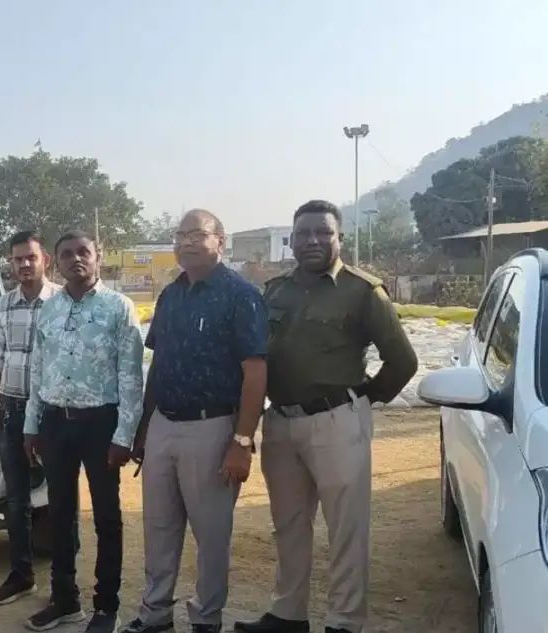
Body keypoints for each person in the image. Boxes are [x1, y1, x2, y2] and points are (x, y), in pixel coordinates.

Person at [235, 200, 418, 633]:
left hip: (337, 421)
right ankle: (288, 614)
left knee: (345, 527)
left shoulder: (362, 291)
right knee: (288, 524)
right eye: (303, 234)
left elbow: (403, 361)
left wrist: (365, 398)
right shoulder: (275, 291)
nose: (313, 241)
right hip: (281, 423)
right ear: (292, 241)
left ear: (340, 238)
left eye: (323, 233)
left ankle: (344, 621)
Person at [121, 210, 268, 633]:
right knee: (159, 528)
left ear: (220, 241)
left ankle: (206, 619)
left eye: (197, 234)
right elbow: (159, 364)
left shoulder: (241, 296)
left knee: (211, 533)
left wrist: (242, 441)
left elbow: (255, 372)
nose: (187, 242)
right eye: (181, 235)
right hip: (164, 425)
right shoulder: (171, 296)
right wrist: (144, 429)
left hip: (212, 428)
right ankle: (155, 615)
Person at [22, 230, 144, 633]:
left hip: (100, 424)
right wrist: (32, 426)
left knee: (106, 516)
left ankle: (106, 606)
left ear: (98, 256)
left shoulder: (119, 307)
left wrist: (124, 435)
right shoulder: (49, 310)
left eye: (83, 252)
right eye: (67, 254)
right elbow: (38, 370)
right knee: (59, 513)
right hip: (56, 423)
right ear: (56, 262)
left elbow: (131, 376)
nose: (76, 259)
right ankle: (64, 600)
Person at [0, 230, 61, 605]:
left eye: (31, 257)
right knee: (15, 500)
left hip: (53, 411)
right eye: (18, 259)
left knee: (60, 497)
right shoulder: (2, 306)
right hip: (11, 409)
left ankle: (64, 584)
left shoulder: (63, 303)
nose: (24, 264)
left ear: (45, 260)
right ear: (10, 263)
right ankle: (21, 575)